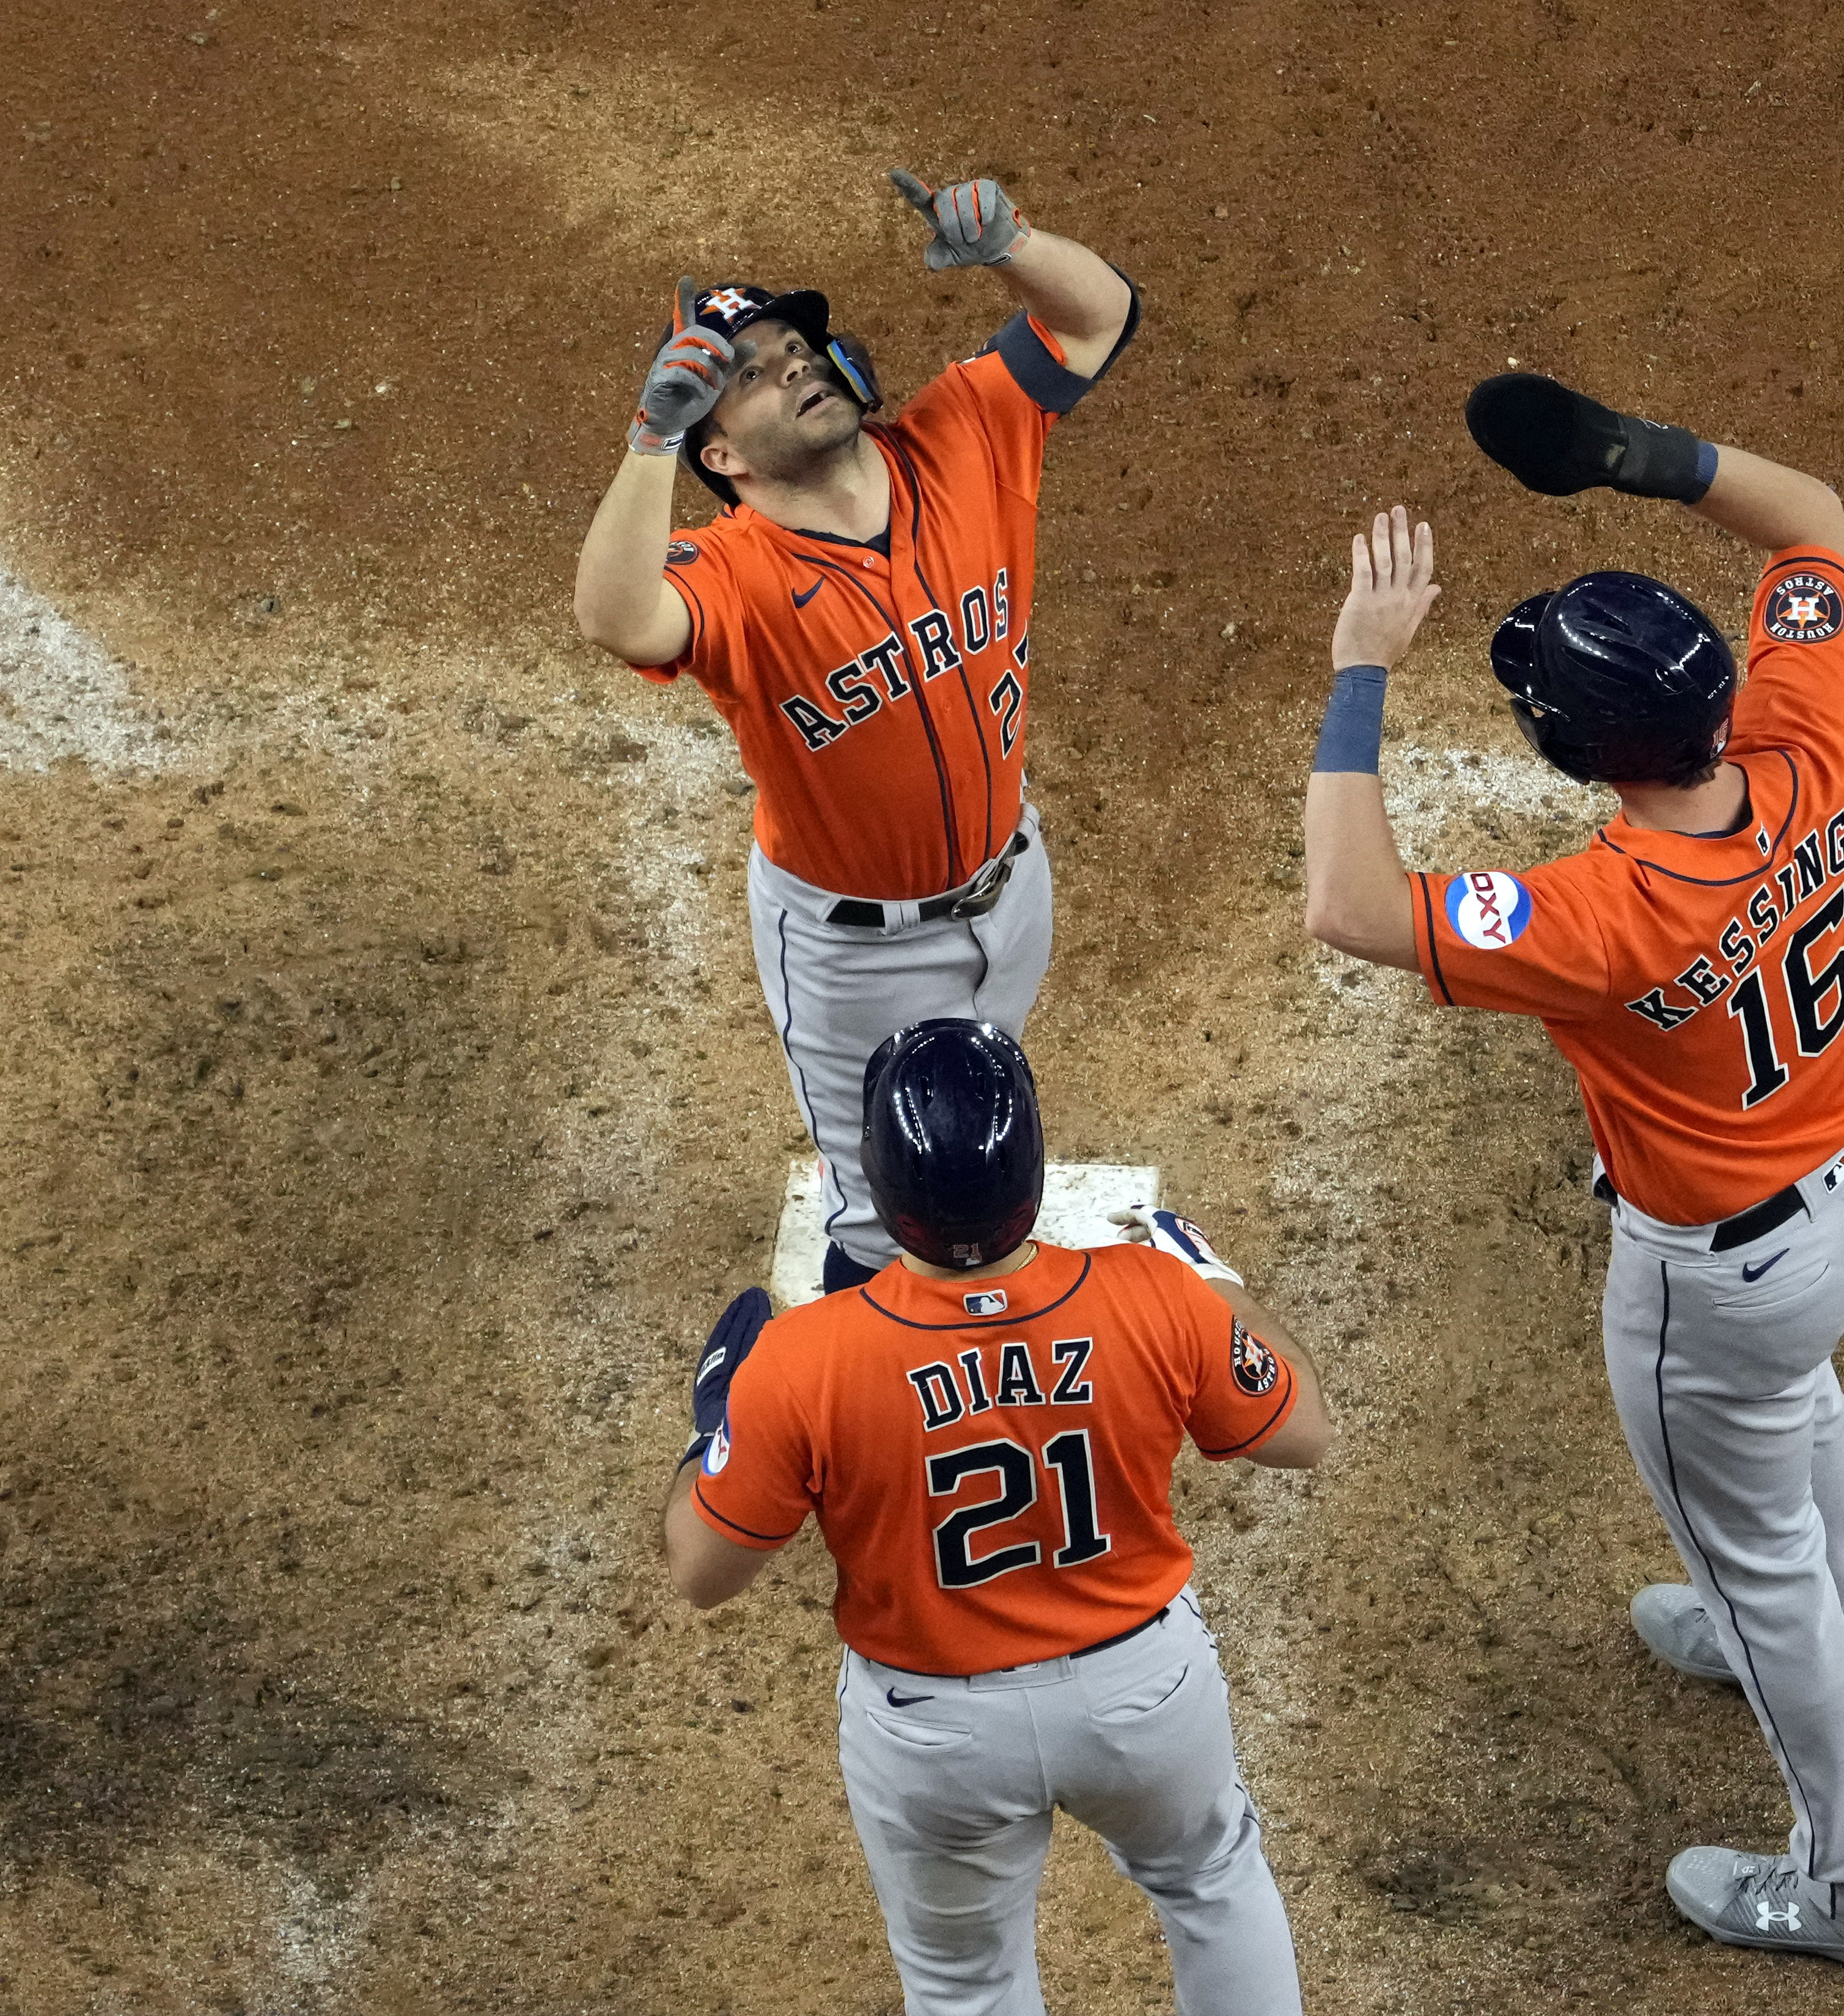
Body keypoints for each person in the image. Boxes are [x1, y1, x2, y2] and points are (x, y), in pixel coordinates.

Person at [1293, 373, 1844, 1972]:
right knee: (1795, 1438)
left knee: (1756, 1563)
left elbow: (1352, 906)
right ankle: (1832, 1625)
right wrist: (1637, 464)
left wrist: (1359, 672)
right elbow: (1810, 520)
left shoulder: (1607, 915)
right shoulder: (1806, 737)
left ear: (1579, 754)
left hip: (1726, 1275)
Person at [659, 1018, 1326, 2014]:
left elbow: (702, 1570)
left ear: (884, 1195)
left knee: (964, 1985)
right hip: (1144, 1699)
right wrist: (1219, 1291)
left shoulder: (805, 1362)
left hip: (937, 1734)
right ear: (1035, 1171)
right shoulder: (1153, 1299)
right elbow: (1304, 1428)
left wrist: (713, 1427)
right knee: (1215, 1885)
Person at [574, 168, 1138, 1293]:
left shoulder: (966, 430)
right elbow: (619, 616)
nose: (790, 370)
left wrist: (1012, 242)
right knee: (887, 1220)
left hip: (1011, 883)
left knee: (990, 1136)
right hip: (851, 957)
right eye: (746, 376)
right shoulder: (730, 573)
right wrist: (648, 439)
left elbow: (1097, 316)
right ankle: (895, 1428)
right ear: (720, 458)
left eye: (796, 351)